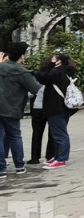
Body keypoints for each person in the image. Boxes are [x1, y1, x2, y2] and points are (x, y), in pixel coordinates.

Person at [0, 42, 41, 175]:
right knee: (15, 136)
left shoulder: (1, 67)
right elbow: (36, 89)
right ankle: (19, 165)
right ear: (22, 56)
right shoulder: (21, 71)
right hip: (12, 108)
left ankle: (1, 169)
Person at [42, 54, 76, 169]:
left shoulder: (57, 71)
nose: (52, 61)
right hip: (63, 106)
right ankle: (57, 156)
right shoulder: (66, 71)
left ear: (59, 61)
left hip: (56, 106)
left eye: (54, 59)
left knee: (60, 134)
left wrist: (49, 66)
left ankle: (61, 159)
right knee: (58, 133)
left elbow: (44, 78)